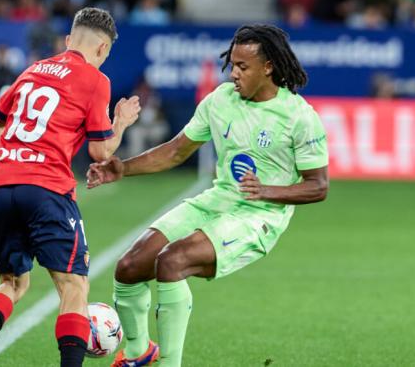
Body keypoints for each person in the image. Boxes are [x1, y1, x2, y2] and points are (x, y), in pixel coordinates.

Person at [87, 24, 329, 367]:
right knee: (128, 267)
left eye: (243, 67)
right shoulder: (219, 100)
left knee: (172, 261)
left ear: (268, 67)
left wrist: (267, 192)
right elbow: (175, 152)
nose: (234, 74)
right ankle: (139, 355)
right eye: (232, 65)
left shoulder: (299, 117)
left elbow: (318, 186)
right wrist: (123, 168)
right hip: (217, 201)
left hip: (259, 217)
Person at [0, 7, 140, 367]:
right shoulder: (95, 79)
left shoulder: (32, 70)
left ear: (67, 40)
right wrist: (121, 123)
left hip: (4, 186)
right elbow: (100, 150)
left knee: (14, 281)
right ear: (103, 49)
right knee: (73, 286)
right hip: (47, 190)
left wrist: (17, 161)